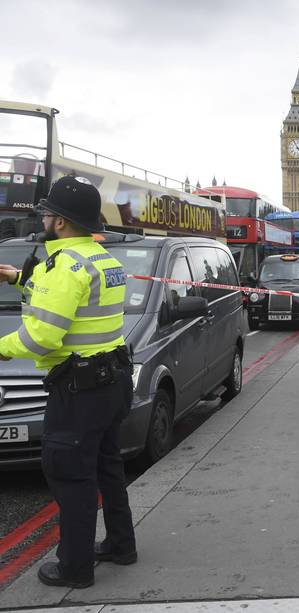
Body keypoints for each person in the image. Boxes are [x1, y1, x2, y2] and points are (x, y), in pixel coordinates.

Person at [0, 176, 136, 588]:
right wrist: (17, 278)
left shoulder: (63, 267)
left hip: (79, 390)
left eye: (46, 212)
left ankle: (75, 568)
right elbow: (72, 296)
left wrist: (2, 347)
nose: (41, 216)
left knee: (70, 475)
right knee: (108, 467)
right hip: (112, 381)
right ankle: (120, 545)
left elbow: (42, 336)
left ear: (59, 222)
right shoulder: (102, 259)